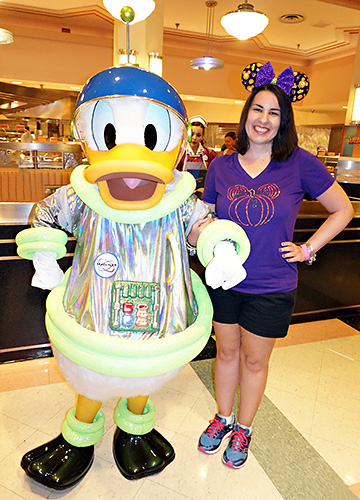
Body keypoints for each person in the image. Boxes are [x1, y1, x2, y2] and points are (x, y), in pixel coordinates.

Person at [196, 82, 354, 469]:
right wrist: (198, 232)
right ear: (245, 114)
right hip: (224, 281)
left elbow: (343, 210)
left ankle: (243, 427)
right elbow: (201, 219)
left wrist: (307, 249)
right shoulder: (221, 166)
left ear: (284, 122)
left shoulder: (299, 163)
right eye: (257, 110)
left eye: (273, 113)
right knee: (227, 352)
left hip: (272, 285)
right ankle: (223, 417)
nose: (263, 120)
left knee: (254, 361)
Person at [178, 115, 217, 192]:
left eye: (198, 135)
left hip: (203, 193)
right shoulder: (181, 153)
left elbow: (216, 175)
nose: (194, 138)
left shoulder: (210, 154)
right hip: (183, 193)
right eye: (192, 134)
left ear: (202, 136)